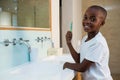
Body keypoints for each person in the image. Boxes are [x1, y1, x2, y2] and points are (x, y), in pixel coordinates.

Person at [63, 5, 113, 80]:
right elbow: (79, 60)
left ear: (102, 23)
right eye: (85, 17)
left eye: (93, 19)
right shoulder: (85, 38)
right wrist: (69, 43)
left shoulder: (98, 43)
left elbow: (82, 68)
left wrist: (66, 64)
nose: (87, 22)